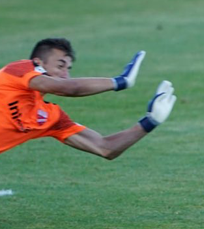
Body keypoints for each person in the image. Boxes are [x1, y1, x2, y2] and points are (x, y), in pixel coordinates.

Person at [0, 38, 176, 159]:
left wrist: (150, 122)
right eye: (60, 65)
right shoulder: (16, 70)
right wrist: (119, 82)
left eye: (68, 69)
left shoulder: (51, 117)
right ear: (38, 63)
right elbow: (68, 88)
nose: (65, 74)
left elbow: (105, 148)